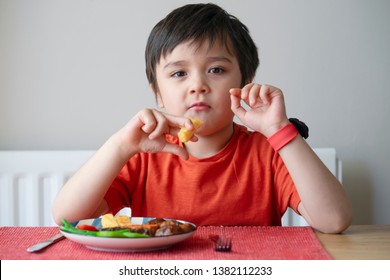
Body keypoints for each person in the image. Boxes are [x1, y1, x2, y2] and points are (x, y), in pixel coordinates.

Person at [52, 3, 352, 233]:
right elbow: (68, 217)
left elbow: (335, 220)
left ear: (245, 82)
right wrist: (120, 146)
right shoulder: (144, 157)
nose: (198, 85)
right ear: (157, 92)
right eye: (179, 73)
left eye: (217, 70)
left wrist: (280, 131)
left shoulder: (268, 153)